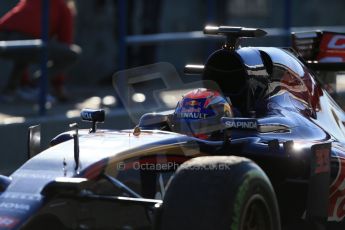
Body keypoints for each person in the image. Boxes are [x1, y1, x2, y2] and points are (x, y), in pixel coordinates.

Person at [0, 0, 81, 102]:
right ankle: (33, 86)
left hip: (4, 36)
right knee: (72, 54)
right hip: (24, 41)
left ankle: (12, 90)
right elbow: (65, 42)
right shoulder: (63, 6)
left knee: (29, 46)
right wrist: (58, 85)